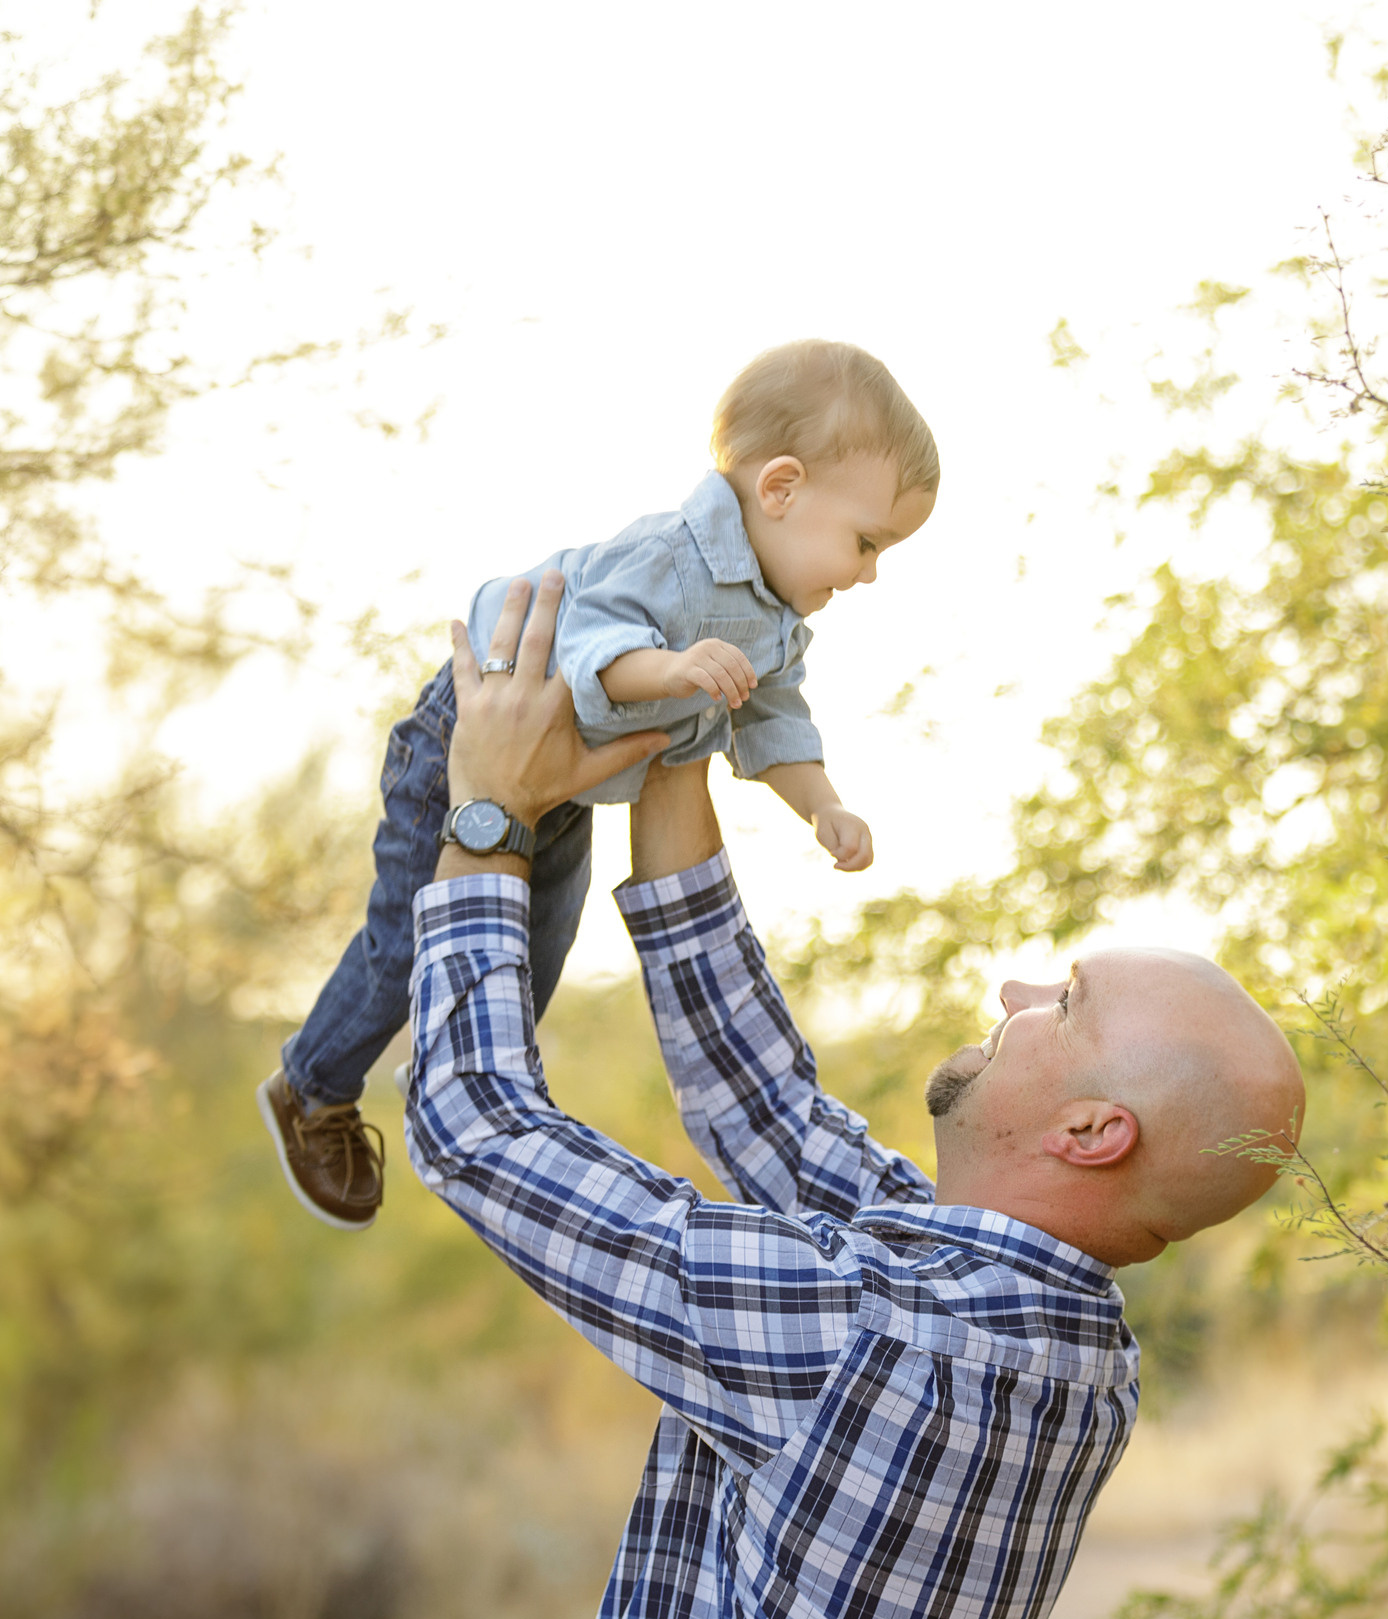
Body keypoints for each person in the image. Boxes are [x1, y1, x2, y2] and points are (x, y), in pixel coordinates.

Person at [406, 571, 1308, 1619]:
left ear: (1089, 1131)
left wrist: (486, 812)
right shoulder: (1049, 1343)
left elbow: (474, 1127)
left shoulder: (879, 1339)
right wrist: (679, 736)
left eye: (1063, 1003)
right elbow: (766, 1112)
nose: (1016, 988)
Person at [260, 339, 940, 1230]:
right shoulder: (670, 554)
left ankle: (448, 1067)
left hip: (571, 783)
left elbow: (776, 722)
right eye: (866, 542)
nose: (869, 573)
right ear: (780, 488)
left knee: (533, 950)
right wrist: (673, 670)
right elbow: (591, 653)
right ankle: (310, 1086)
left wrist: (825, 806)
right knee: (404, 942)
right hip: (465, 744)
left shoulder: (776, 619)